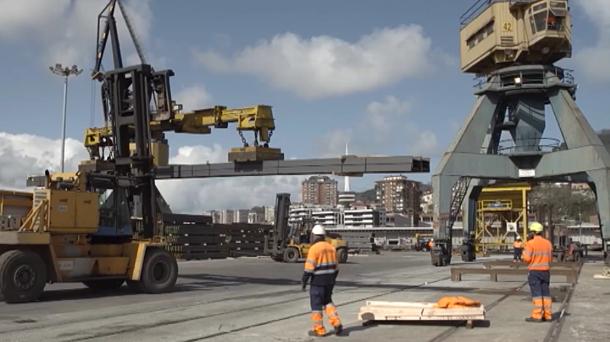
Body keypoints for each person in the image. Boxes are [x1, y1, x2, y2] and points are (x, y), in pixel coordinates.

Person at [302, 225, 343, 336]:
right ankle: (337, 323)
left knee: (316, 306)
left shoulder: (314, 249)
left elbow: (309, 269)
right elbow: (336, 268)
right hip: (329, 282)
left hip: (317, 283)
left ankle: (319, 330)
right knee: (328, 302)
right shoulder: (331, 248)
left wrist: (304, 282)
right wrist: (332, 280)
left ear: (314, 236)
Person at [522, 222, 553, 322]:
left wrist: (523, 255)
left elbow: (526, 259)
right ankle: (548, 315)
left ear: (533, 232)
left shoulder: (530, 244)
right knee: (546, 294)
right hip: (546, 271)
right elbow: (550, 258)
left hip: (535, 272)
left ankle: (537, 315)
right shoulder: (548, 243)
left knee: (537, 294)